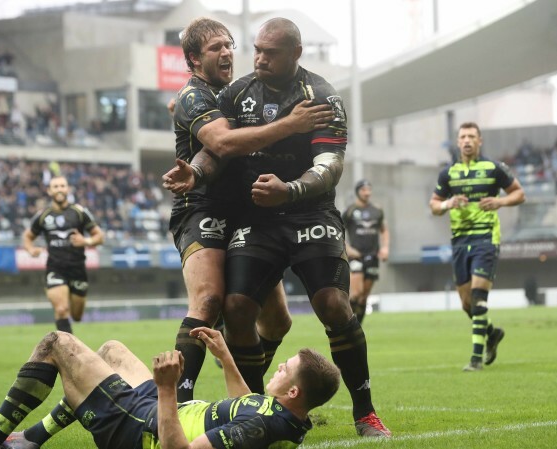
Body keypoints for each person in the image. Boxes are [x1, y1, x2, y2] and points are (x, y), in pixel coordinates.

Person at [168, 17, 391, 438]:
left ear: (296, 54)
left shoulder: (322, 95)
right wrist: (196, 173)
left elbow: (330, 166)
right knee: (232, 307)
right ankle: (253, 409)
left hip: (310, 212)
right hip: (257, 217)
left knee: (332, 304)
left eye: (269, 53)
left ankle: (365, 413)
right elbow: (218, 149)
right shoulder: (238, 93)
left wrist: (288, 190)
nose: (258, 59)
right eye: (256, 50)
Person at [164, 17, 335, 404]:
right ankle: (178, 404)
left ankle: (247, 387)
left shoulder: (237, 93)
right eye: (215, 48)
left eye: (229, 45)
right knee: (209, 302)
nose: (227, 53)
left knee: (277, 321)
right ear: (193, 59)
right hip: (202, 207)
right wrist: (291, 124)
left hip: (246, 212)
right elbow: (222, 144)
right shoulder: (193, 96)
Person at [0, 327, 341, 449]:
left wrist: (167, 388)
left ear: (294, 392)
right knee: (112, 351)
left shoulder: (263, 428)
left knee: (57, 344)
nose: (279, 365)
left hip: (143, 429)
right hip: (162, 412)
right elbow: (244, 403)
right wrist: (226, 357)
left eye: (286, 368)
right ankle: (32, 438)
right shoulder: (278, 412)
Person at [429, 122, 525, 372]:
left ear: (480, 141)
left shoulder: (493, 168)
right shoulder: (448, 174)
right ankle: (492, 334)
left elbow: (519, 194)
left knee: (479, 295)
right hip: (460, 240)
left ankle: (476, 358)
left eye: (472, 136)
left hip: (486, 238)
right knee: (466, 303)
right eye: (463, 137)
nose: (467, 140)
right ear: (458, 142)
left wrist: (500, 201)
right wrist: (448, 203)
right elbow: (434, 206)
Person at [22, 175, 104, 334]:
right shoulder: (43, 215)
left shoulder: (79, 212)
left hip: (78, 269)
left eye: (62, 186)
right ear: (49, 191)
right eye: (55, 186)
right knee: (61, 309)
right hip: (55, 268)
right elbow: (27, 237)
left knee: (77, 315)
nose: (59, 189)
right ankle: (68, 352)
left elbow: (99, 237)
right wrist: (31, 250)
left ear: (67, 189)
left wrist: (85, 241)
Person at [342, 179, 390, 324]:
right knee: (355, 294)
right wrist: (348, 249)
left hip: (373, 256)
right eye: (364, 190)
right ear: (358, 192)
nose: (367, 192)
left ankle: (357, 328)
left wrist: (385, 247)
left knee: (364, 296)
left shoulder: (377, 210)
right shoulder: (350, 211)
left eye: (369, 189)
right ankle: (346, 323)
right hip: (356, 256)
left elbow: (384, 229)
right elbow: (338, 231)